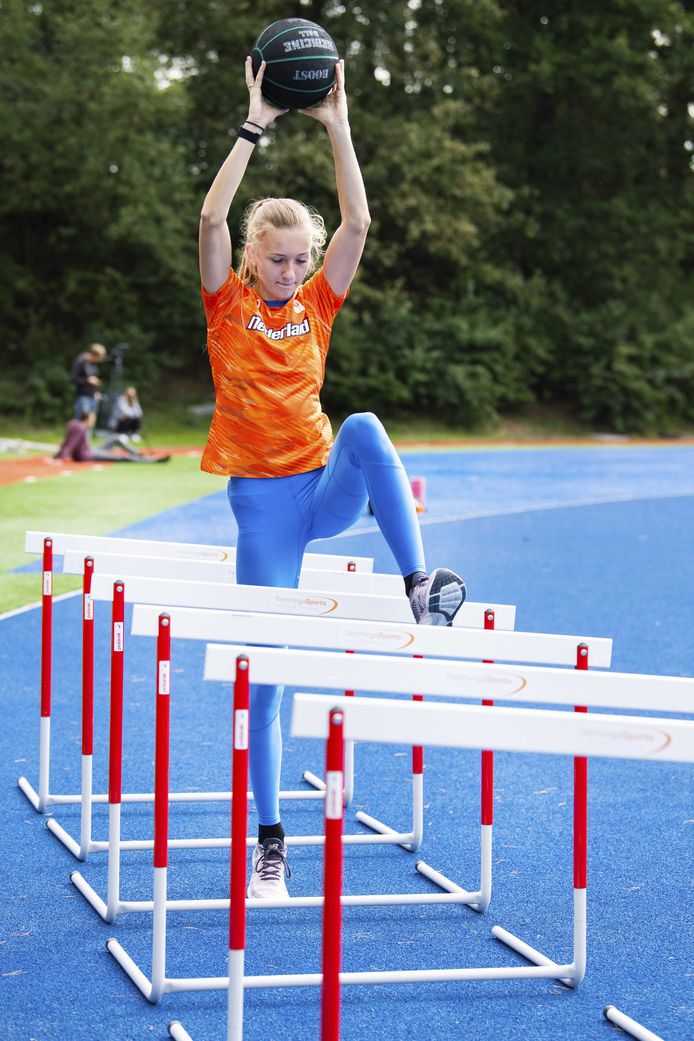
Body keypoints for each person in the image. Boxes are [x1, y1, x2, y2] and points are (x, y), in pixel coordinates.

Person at [198, 58, 466, 899]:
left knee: (366, 426)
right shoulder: (224, 302)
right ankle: (272, 839)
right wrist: (256, 122)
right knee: (268, 680)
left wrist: (337, 123)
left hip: (319, 483)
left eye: (301, 259)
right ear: (254, 256)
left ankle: (419, 582)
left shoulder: (317, 302)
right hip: (262, 510)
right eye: (279, 260)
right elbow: (209, 214)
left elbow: (360, 219)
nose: (292, 271)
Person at [53, 410, 169, 463]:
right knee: (121, 457)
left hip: (92, 449)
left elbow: (66, 443)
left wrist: (57, 456)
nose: (94, 420)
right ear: (87, 418)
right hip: (89, 455)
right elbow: (70, 444)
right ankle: (151, 461)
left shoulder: (75, 424)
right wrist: (60, 458)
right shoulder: (80, 428)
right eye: (93, 418)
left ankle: (137, 453)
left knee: (115, 438)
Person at [70, 343, 107, 417]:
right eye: (100, 357)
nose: (100, 360)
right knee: (81, 425)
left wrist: (97, 392)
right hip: (83, 398)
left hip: (93, 398)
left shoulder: (93, 365)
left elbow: (93, 382)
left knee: (90, 425)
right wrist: (87, 380)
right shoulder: (80, 361)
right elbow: (73, 379)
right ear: (95, 355)